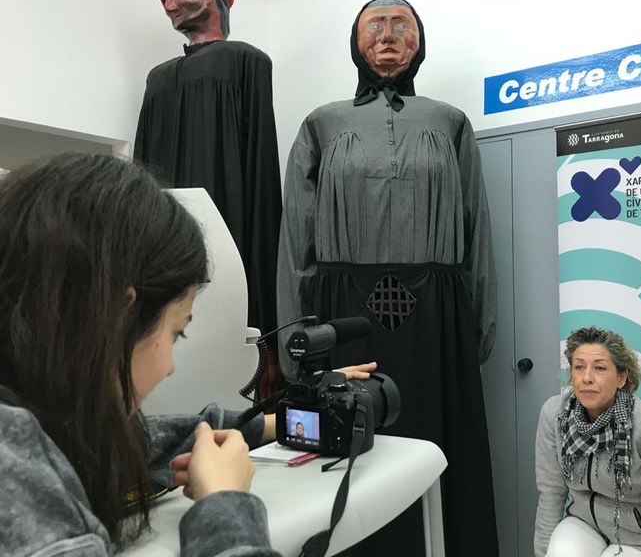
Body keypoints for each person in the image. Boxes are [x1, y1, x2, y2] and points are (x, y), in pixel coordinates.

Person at [0, 152, 376, 556]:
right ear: (118, 316)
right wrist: (224, 503)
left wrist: (280, 422)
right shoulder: (14, 477)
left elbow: (125, 443)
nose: (170, 367)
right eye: (177, 332)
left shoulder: (35, 431)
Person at [276, 0, 498, 556]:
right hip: (342, 318)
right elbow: (296, 240)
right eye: (374, 24)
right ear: (356, 43)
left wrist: (478, 326)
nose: (388, 34)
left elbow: (477, 228)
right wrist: (293, 340)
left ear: (419, 42)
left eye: (402, 24)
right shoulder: (322, 123)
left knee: (436, 452)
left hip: (438, 320)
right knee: (349, 456)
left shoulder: (450, 122)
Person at [134, 0, 285, 401]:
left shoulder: (246, 62)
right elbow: (142, 182)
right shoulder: (157, 79)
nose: (168, 4)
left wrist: (268, 336)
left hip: (230, 262)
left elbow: (261, 185)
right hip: (164, 265)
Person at [534, 326, 641, 557]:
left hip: (640, 537)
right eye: (579, 367)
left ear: (621, 378)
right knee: (562, 551)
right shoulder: (555, 414)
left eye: (599, 368)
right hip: (584, 523)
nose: (587, 377)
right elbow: (551, 492)